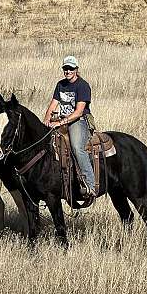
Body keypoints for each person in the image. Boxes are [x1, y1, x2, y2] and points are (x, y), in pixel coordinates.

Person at [43, 55, 96, 198]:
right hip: (60, 119)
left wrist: (59, 123)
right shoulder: (60, 85)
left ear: (76, 69)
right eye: (65, 68)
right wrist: (46, 119)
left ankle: (90, 184)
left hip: (78, 121)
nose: (68, 71)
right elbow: (53, 104)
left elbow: (78, 112)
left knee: (78, 148)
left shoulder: (82, 85)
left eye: (71, 68)